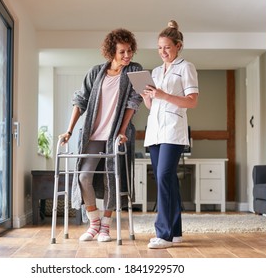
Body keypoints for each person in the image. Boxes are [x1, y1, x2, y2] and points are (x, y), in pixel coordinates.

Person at [59, 28, 143, 242]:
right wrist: (69, 130)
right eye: (122, 52)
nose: (127, 56)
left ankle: (106, 227)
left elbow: (134, 102)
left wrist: (122, 131)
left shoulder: (135, 70)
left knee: (112, 180)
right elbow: (80, 101)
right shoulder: (96, 72)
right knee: (84, 176)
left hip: (115, 135)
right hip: (92, 135)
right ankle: (93, 222)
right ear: (111, 52)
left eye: (130, 51)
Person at [141, 20, 199, 249]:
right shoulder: (155, 71)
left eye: (167, 47)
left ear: (178, 46)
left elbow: (192, 101)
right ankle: (175, 232)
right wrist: (147, 96)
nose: (163, 52)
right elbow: (152, 104)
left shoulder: (186, 67)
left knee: (164, 176)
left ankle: (163, 234)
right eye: (159, 48)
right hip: (155, 131)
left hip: (173, 131)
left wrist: (163, 95)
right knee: (168, 180)